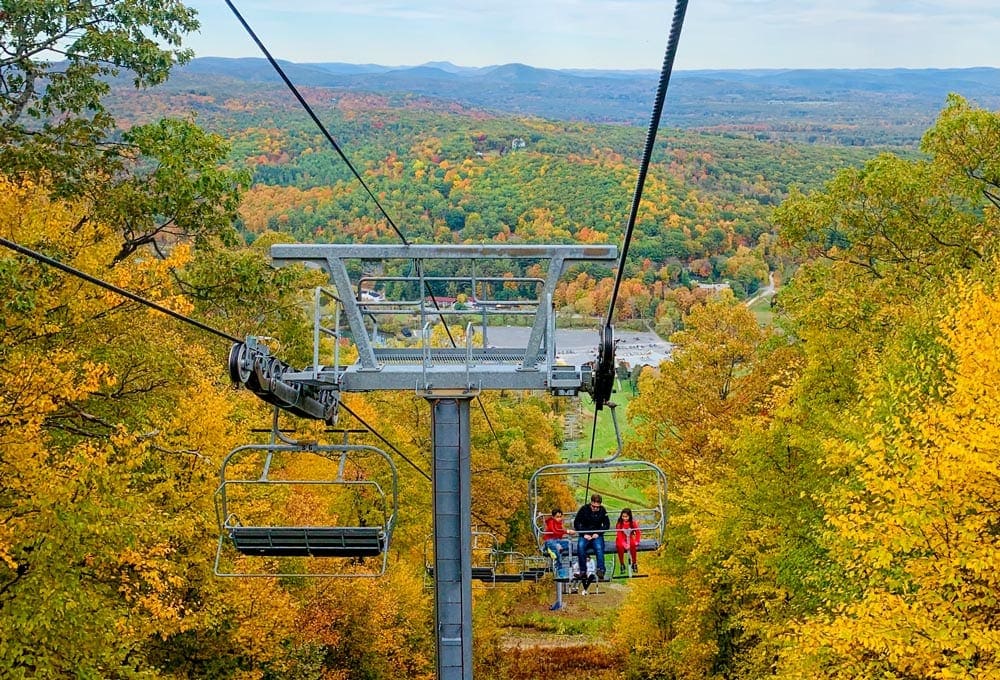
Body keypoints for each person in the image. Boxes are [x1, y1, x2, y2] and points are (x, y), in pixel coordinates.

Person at [573, 493, 609, 589]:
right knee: (580, 547)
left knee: (599, 547)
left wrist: (599, 533)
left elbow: (606, 525)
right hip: (585, 534)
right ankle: (583, 571)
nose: (595, 509)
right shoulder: (584, 509)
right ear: (591, 503)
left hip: (596, 534)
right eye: (594, 506)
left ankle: (601, 569)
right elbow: (576, 523)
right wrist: (583, 534)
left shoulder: (602, 511)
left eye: (597, 507)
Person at [615, 508, 642, 574]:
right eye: (623, 516)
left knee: (632, 545)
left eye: (626, 516)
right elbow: (619, 534)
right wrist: (624, 544)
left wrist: (637, 541)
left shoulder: (632, 523)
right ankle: (622, 563)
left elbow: (638, 532)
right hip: (621, 539)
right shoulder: (619, 524)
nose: (624, 518)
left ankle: (634, 562)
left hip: (629, 538)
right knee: (620, 547)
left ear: (629, 516)